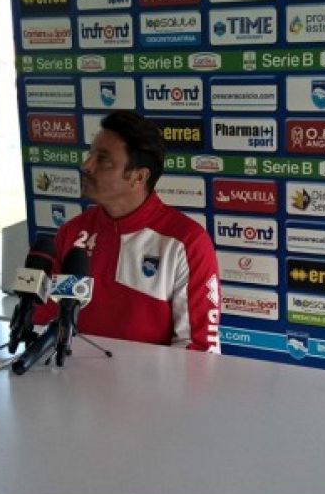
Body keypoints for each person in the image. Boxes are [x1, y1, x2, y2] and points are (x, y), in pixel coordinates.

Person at [34, 111, 220, 352]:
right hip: (71, 373)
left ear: (138, 177)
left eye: (103, 160)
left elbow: (198, 351)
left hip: (155, 377)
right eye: (90, 154)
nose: (86, 166)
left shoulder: (187, 242)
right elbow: (47, 320)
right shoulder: (72, 232)